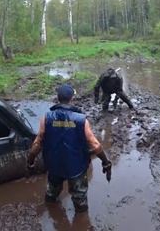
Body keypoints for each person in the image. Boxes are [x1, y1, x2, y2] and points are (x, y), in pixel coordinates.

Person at [27, 84, 112, 213]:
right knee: (80, 199)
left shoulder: (47, 118)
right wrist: (105, 162)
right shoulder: (81, 120)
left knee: (51, 193)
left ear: (58, 98)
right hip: (76, 167)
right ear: (72, 98)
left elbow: (37, 143)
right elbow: (94, 145)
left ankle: (52, 211)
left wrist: (30, 160)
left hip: (54, 165)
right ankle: (81, 220)